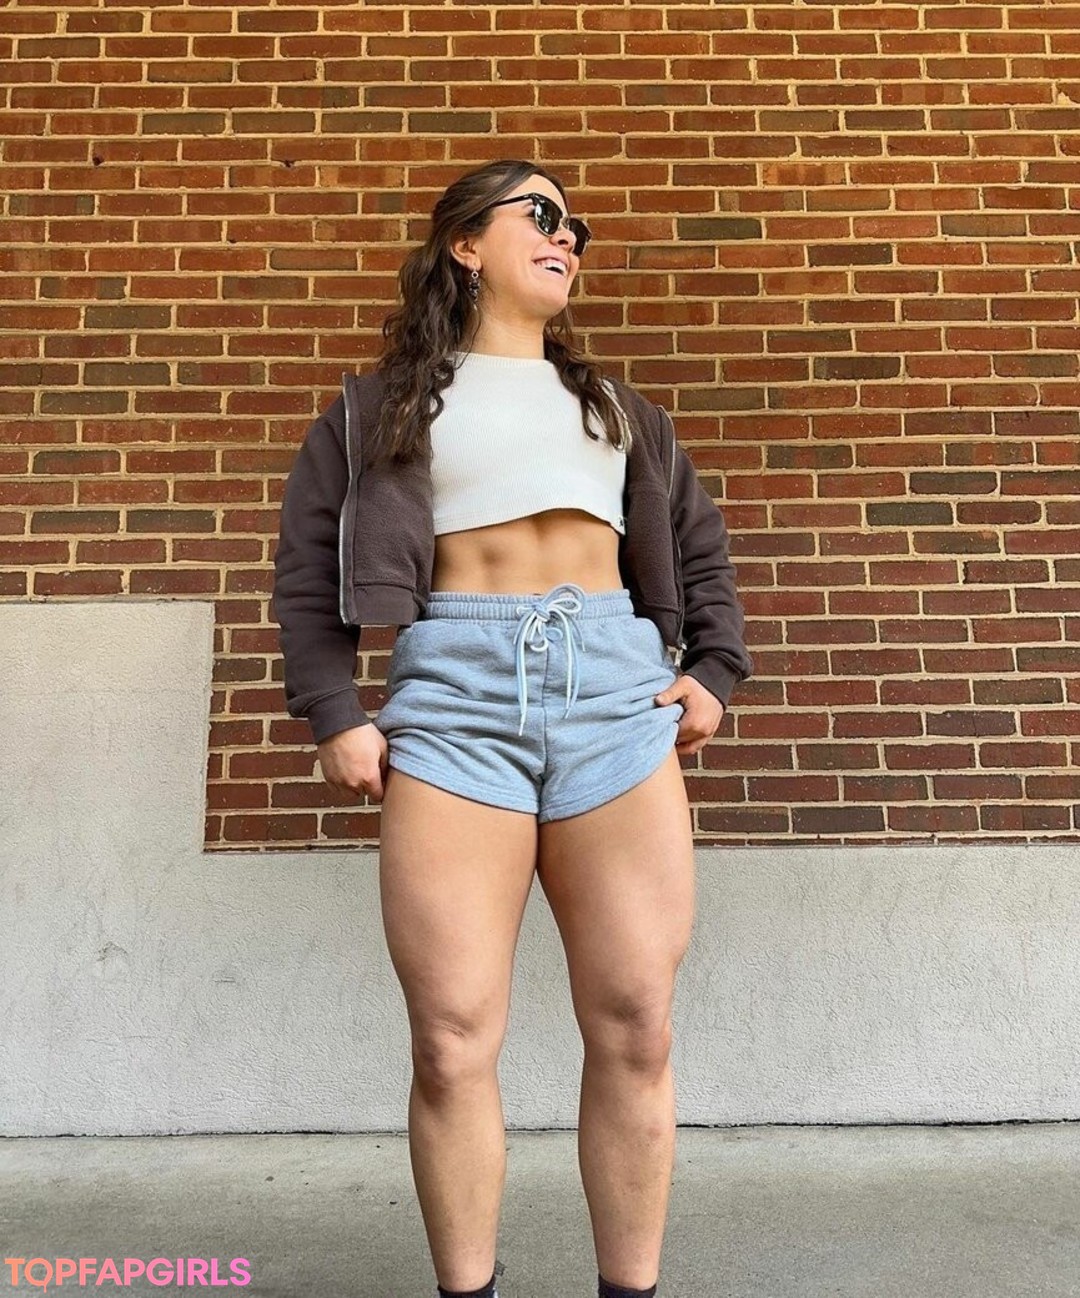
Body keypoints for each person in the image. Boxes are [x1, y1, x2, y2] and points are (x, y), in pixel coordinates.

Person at [272, 159, 754, 1298]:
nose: (566, 234)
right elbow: (305, 565)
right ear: (465, 245)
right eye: (539, 214)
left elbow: (699, 549)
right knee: (449, 1038)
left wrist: (713, 670)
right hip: (455, 700)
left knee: (636, 1023)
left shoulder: (619, 413)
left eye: (574, 223)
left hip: (615, 696)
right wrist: (335, 708)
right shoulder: (380, 408)